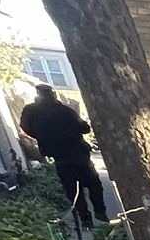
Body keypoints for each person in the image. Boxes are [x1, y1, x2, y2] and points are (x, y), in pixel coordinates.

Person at [19, 84, 107, 228]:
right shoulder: (65, 111)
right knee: (94, 184)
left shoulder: (30, 111)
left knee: (72, 190)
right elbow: (84, 128)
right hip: (78, 154)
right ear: (52, 95)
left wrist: (42, 136)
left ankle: (85, 219)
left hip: (59, 157)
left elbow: (25, 127)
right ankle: (100, 212)